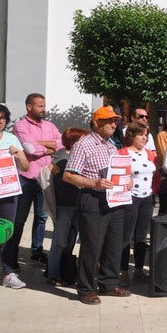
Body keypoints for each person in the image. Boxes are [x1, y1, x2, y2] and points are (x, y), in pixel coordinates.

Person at [63, 106, 132, 305]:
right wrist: (94, 183)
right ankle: (85, 289)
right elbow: (68, 175)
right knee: (92, 246)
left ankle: (109, 284)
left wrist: (127, 182)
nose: (113, 124)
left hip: (114, 199)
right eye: (108, 120)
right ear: (96, 122)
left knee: (113, 244)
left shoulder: (111, 145)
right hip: (92, 198)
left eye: (115, 121)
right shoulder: (83, 144)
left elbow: (116, 174)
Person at [10, 93, 63, 265]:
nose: (43, 109)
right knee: (20, 218)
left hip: (45, 178)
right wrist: (50, 146)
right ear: (29, 106)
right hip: (26, 178)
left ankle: (37, 251)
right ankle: (11, 254)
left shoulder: (49, 125)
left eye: (44, 105)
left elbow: (62, 142)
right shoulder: (20, 126)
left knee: (41, 217)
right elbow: (30, 148)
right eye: (39, 106)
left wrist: (41, 143)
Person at [45, 127, 88, 287]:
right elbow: (45, 174)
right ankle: (53, 274)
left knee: (70, 241)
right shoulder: (61, 158)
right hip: (64, 206)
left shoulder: (79, 156)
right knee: (59, 241)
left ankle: (65, 271)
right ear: (74, 142)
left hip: (78, 205)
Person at [0, 104, 30, 289]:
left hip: (7, 192)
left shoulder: (11, 138)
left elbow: (25, 166)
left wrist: (18, 154)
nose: (0, 121)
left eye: (3, 118)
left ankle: (8, 272)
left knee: (6, 231)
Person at [118, 122, 157, 285]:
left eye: (146, 134)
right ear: (131, 136)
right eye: (141, 134)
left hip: (147, 198)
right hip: (130, 199)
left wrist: (153, 191)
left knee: (141, 236)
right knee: (126, 236)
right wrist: (125, 184)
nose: (144, 137)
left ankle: (139, 270)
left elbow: (157, 176)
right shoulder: (122, 152)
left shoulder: (149, 153)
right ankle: (124, 271)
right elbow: (116, 175)